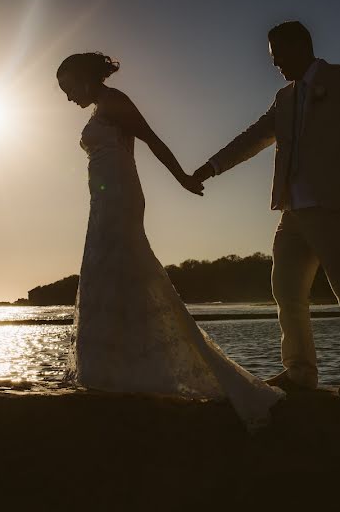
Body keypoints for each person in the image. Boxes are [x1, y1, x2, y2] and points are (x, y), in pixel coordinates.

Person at [57, 51, 283, 430]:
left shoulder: (115, 101)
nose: (66, 98)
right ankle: (110, 369)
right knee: (106, 273)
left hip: (121, 197)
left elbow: (152, 139)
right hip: (104, 198)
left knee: (122, 268)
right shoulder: (98, 110)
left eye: (67, 88)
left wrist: (183, 179)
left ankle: (130, 368)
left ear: (83, 78)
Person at [193, 21, 340, 398]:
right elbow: (253, 137)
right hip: (292, 210)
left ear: (300, 47)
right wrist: (209, 169)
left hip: (336, 202)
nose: (276, 64)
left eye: (278, 55)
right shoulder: (284, 98)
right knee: (285, 290)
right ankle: (300, 373)